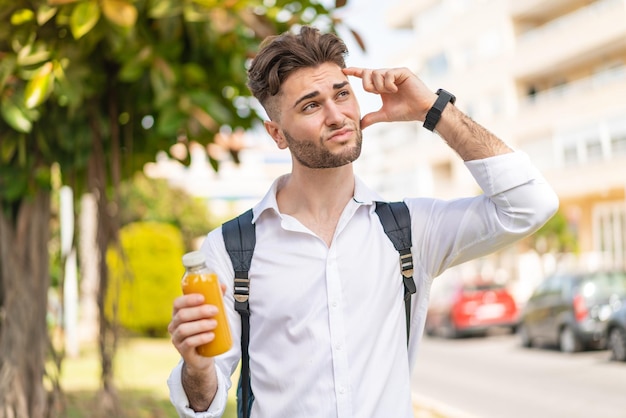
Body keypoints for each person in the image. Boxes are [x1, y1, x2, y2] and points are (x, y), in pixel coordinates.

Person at [167, 25, 559, 417]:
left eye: (341, 94)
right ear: (277, 134)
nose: (337, 115)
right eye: (311, 105)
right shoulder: (232, 249)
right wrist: (197, 367)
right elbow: (202, 404)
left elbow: (529, 205)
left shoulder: (409, 230)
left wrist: (433, 111)